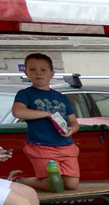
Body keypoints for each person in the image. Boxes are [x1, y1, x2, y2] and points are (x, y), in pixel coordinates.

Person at [9, 53, 79, 192]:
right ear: (26, 72)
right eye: (32, 70)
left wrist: (72, 129)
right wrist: (47, 114)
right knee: (52, 185)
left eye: (43, 70)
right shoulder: (25, 93)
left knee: (71, 185)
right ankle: (21, 181)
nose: (38, 73)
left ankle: (25, 181)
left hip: (66, 146)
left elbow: (73, 121)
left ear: (52, 73)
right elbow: (18, 112)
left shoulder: (61, 97)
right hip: (41, 146)